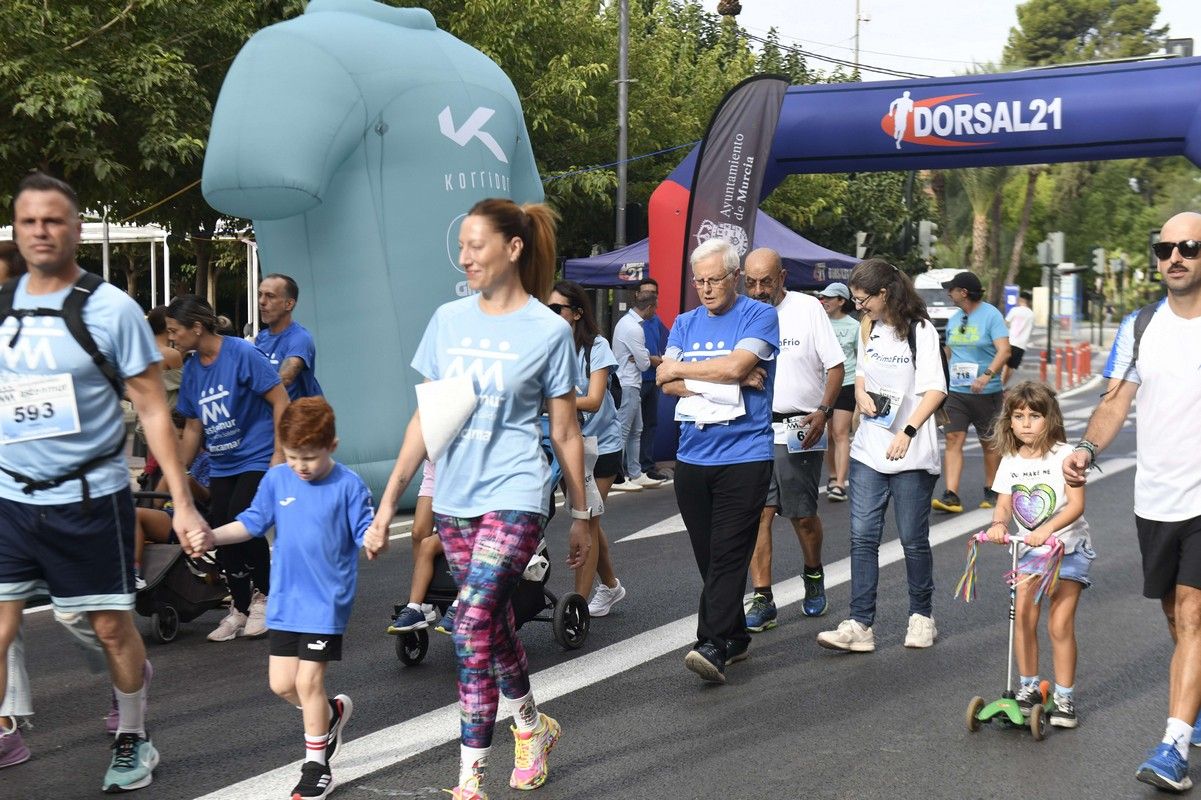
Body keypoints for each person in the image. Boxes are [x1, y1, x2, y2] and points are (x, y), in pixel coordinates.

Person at [365, 198, 591, 800]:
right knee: (492, 625)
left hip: (517, 490)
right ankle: (532, 727)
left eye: (476, 245)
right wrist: (388, 504)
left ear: (513, 248)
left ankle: (470, 781)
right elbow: (425, 418)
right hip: (455, 498)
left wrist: (583, 513)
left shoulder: (549, 330)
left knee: (467, 625)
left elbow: (565, 430)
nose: (464, 257)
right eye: (461, 246)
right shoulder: (447, 321)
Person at [0, 172, 210, 791]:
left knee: (110, 628)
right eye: (29, 220)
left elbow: (152, 408)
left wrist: (181, 502)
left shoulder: (110, 308)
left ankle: (133, 735)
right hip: (11, 499)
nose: (41, 231)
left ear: (76, 229)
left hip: (89, 501)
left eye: (53, 220)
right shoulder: (2, 304)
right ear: (17, 229)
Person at [1064, 212, 1201, 792]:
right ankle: (1195, 702)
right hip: (1157, 496)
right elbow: (1115, 401)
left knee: (1193, 612)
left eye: (1188, 247)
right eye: (1165, 248)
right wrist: (1086, 448)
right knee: (1173, 614)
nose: (1175, 257)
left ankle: (1173, 745)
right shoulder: (1140, 326)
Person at [184, 397, 370, 800]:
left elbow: (365, 532)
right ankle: (330, 714)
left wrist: (373, 539)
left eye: (310, 457)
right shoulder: (276, 480)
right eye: (292, 456)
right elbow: (251, 523)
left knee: (308, 681)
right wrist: (213, 536)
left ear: (332, 446)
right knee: (283, 684)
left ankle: (316, 767)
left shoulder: (348, 485)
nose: (300, 466)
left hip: (326, 601)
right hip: (286, 599)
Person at [657, 238, 779, 683]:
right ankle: (736, 635)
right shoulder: (684, 322)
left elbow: (733, 366)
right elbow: (665, 381)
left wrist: (695, 371)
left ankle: (711, 643)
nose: (706, 289)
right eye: (699, 281)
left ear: (735, 277)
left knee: (728, 553)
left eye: (714, 279)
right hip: (692, 456)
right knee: (709, 557)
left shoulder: (759, 315)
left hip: (745, 455)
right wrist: (727, 380)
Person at [817, 259, 946, 654]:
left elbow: (936, 390)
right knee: (863, 538)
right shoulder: (867, 326)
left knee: (912, 539)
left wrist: (908, 432)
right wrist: (858, 393)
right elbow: (862, 372)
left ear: (885, 293)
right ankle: (860, 624)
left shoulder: (921, 331)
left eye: (863, 300)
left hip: (911, 454)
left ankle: (921, 616)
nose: (859, 307)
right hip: (869, 450)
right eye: (856, 300)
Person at [167, 294, 289, 642]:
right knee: (217, 528)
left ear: (196, 327)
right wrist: (177, 472)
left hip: (256, 455)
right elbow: (193, 427)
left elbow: (281, 400)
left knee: (242, 520)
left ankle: (265, 595)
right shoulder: (192, 368)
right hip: (222, 462)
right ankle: (240, 606)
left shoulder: (241, 353)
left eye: (175, 330)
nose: (172, 338)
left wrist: (278, 453)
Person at [741, 249, 844, 632]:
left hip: (800, 425)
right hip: (752, 428)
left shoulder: (808, 309)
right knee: (758, 514)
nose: (758, 290)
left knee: (802, 515)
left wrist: (824, 411)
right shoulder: (739, 312)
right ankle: (763, 598)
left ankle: (813, 574)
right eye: (751, 282)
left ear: (782, 277)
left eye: (766, 281)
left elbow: (836, 366)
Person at [985, 381, 1092, 729]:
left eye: (1034, 416)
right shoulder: (1010, 460)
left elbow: (1076, 505)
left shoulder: (1064, 455)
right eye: (1018, 417)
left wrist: (1048, 529)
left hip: (1067, 548)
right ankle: (1029, 687)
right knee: (1023, 618)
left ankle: (1064, 697)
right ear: (1009, 421)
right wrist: (998, 524)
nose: (1026, 424)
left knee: (1059, 624)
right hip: (1030, 552)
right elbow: (1003, 504)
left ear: (1050, 418)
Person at [547, 280, 628, 616]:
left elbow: (594, 400)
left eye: (557, 309)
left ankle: (576, 608)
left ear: (577, 313)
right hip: (567, 446)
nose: (550, 315)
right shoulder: (547, 347)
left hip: (601, 446)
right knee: (589, 519)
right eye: (546, 309)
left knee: (587, 519)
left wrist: (548, 403)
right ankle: (610, 586)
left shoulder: (596, 346)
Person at [932, 270, 1010, 513]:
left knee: (989, 443)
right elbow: (949, 350)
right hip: (956, 392)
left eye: (952, 289)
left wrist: (986, 375)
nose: (948, 293)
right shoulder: (955, 318)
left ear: (963, 292)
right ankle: (951, 495)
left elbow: (1004, 350)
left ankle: (992, 489)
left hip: (987, 393)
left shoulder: (991, 315)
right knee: (953, 438)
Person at [610, 292, 663, 492]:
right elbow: (643, 364)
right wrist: (647, 357)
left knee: (635, 430)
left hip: (629, 383)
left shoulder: (626, 323)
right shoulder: (634, 328)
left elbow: (641, 359)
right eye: (655, 307)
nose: (655, 312)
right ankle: (617, 477)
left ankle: (635, 473)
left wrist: (642, 355)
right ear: (649, 307)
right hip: (628, 383)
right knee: (625, 431)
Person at [818, 282, 858, 502]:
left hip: (847, 383)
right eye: (822, 297)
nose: (824, 301)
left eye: (829, 297)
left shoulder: (854, 326)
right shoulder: (819, 323)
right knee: (827, 435)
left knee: (841, 433)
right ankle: (833, 476)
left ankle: (840, 484)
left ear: (841, 301)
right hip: (823, 385)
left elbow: (861, 360)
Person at [255, 273, 323, 400]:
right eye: (260, 295)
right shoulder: (261, 338)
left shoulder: (300, 338)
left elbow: (284, 379)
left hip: (295, 412)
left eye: (270, 296)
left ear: (289, 304)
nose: (261, 301)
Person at [636, 277, 670, 481]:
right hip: (635, 381)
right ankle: (629, 469)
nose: (650, 297)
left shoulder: (656, 321)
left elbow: (667, 344)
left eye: (653, 294)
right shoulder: (631, 322)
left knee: (650, 424)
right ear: (637, 295)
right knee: (633, 427)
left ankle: (646, 467)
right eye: (646, 293)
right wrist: (651, 359)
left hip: (652, 379)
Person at [1002, 290, 1034, 385]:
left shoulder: (1014, 310)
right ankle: (1003, 385)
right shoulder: (1031, 314)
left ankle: (1000, 385)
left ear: (1020, 299)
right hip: (1021, 344)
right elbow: (1031, 329)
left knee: (1005, 364)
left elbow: (1005, 323)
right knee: (1012, 367)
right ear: (1029, 301)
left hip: (1010, 340)